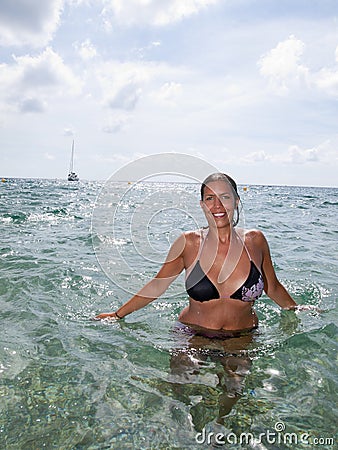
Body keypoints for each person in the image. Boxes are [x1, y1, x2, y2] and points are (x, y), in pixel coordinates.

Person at [94, 172, 303, 331]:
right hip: (192, 334)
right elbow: (157, 286)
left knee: (236, 388)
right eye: (210, 198)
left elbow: (273, 287)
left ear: (237, 201)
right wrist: (118, 314)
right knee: (177, 387)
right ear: (202, 205)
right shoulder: (188, 243)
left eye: (225, 197)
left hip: (243, 337)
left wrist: (298, 310)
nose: (217, 205)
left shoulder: (255, 241)